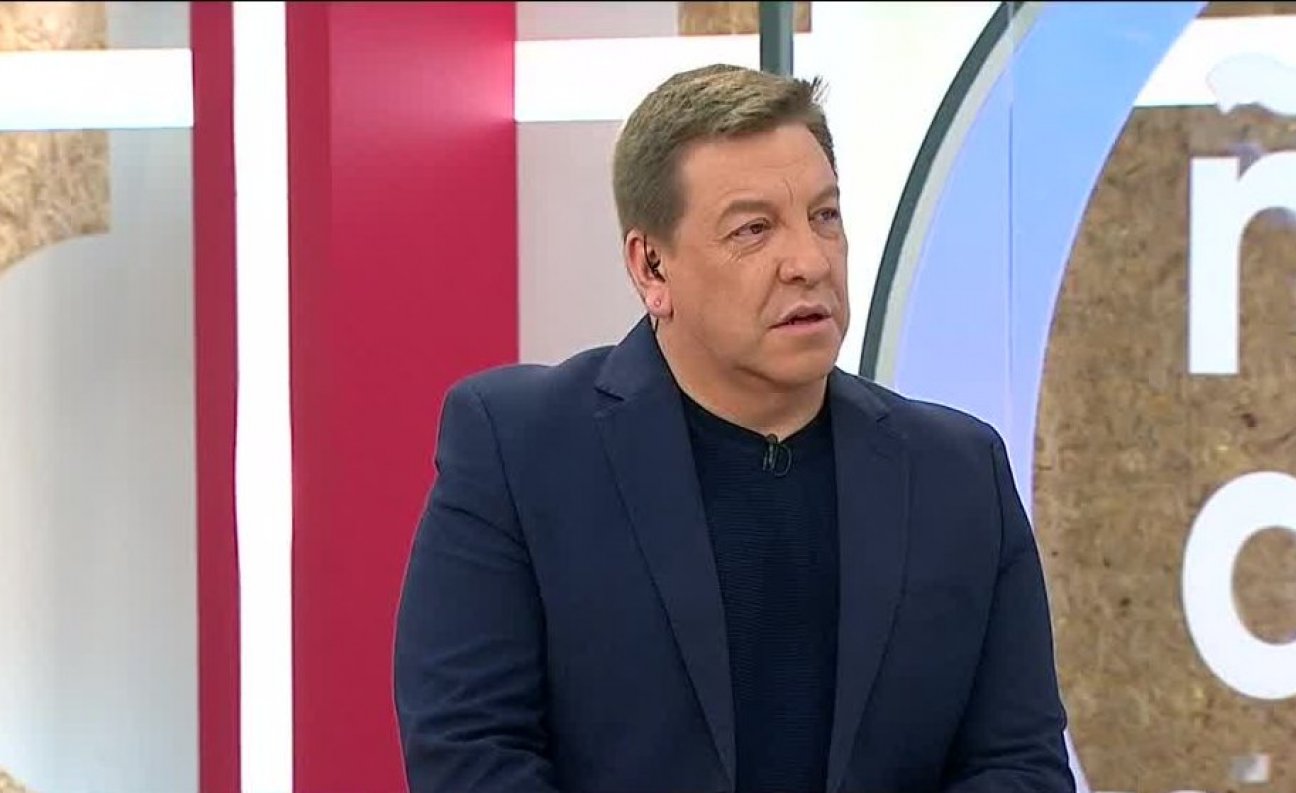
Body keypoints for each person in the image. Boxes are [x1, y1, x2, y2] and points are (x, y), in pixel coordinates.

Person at [393, 64, 1075, 793]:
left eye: (825, 216)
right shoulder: (521, 450)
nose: (809, 262)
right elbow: (469, 753)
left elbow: (1020, 765)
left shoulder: (958, 473)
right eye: (754, 229)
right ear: (652, 268)